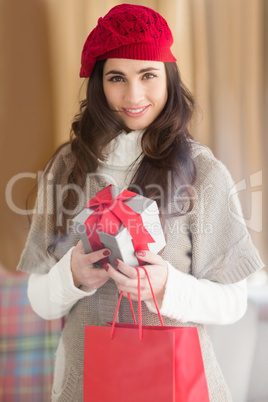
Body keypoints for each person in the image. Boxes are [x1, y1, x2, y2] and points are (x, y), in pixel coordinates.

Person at [17, 4, 264, 401]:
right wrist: (73, 277)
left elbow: (234, 302)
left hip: (177, 385)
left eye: (148, 75)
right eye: (117, 78)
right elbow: (39, 299)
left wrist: (168, 288)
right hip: (82, 385)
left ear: (168, 76)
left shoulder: (201, 172)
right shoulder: (68, 168)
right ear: (100, 84)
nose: (133, 96)